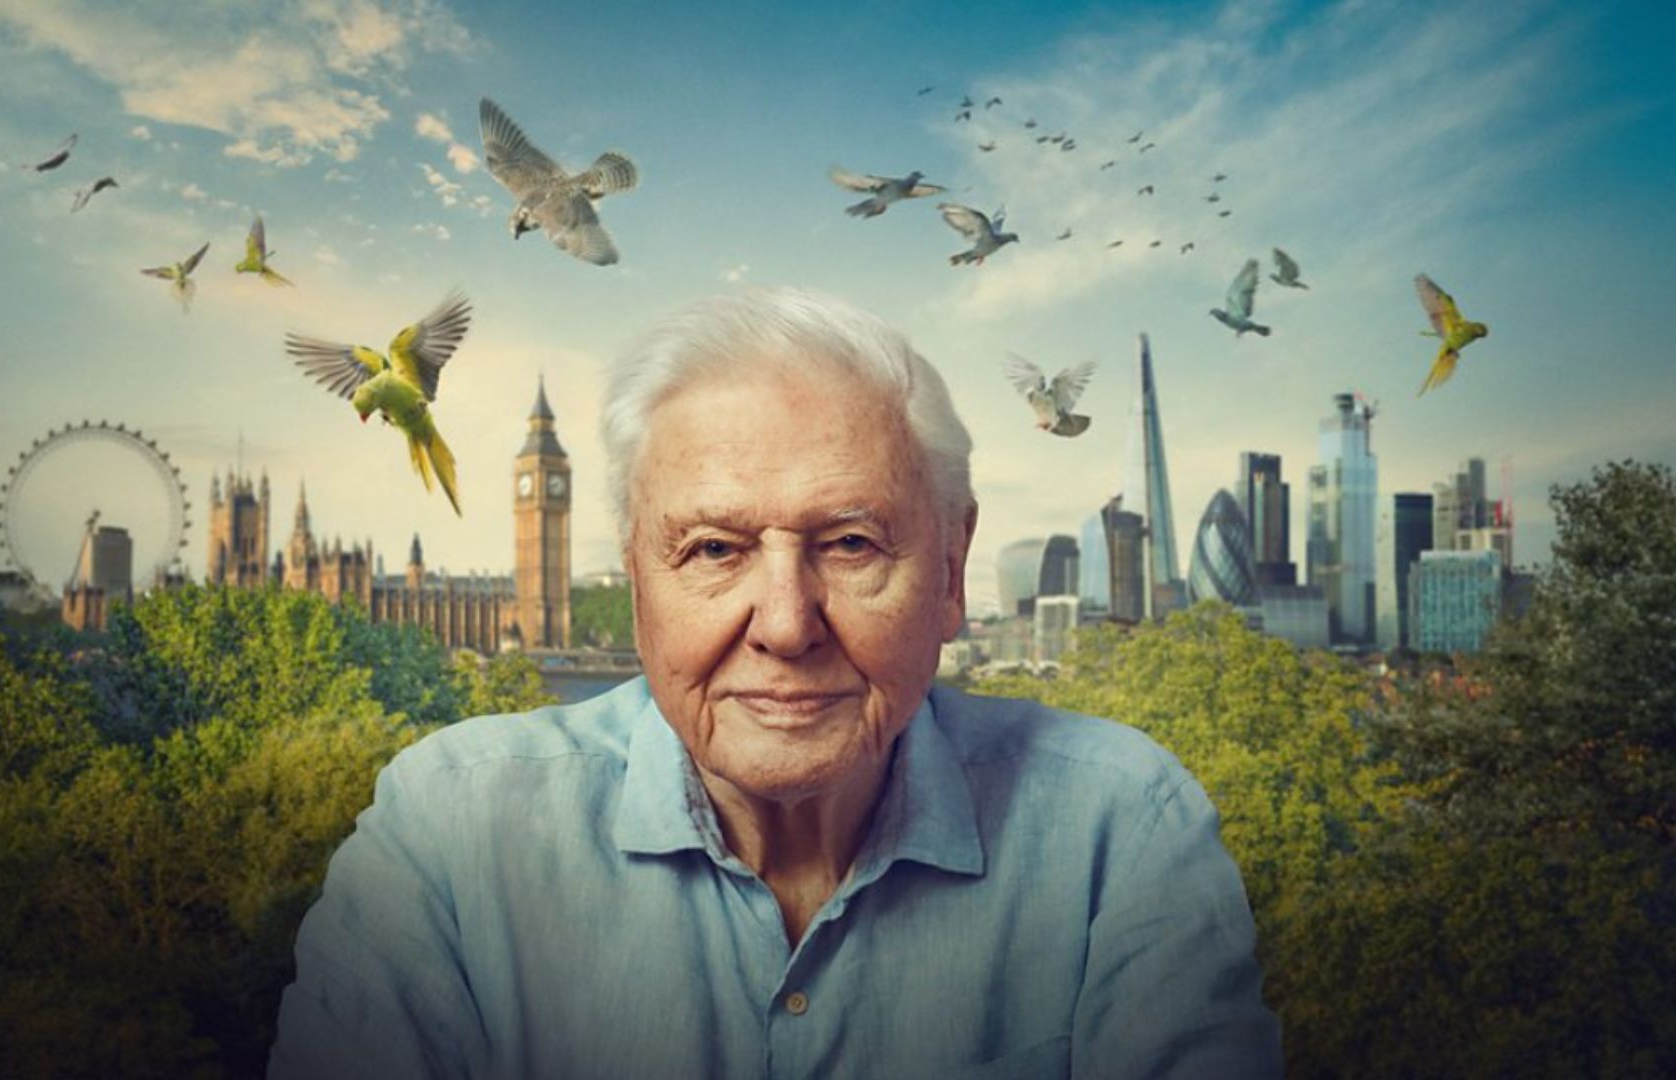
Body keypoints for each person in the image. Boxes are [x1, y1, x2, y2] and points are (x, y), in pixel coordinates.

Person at [269, 288, 1282, 1079]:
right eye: (713, 548)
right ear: (634, 575)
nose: (788, 625)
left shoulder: (1124, 836)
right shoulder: (445, 841)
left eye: (850, 543)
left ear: (952, 570)